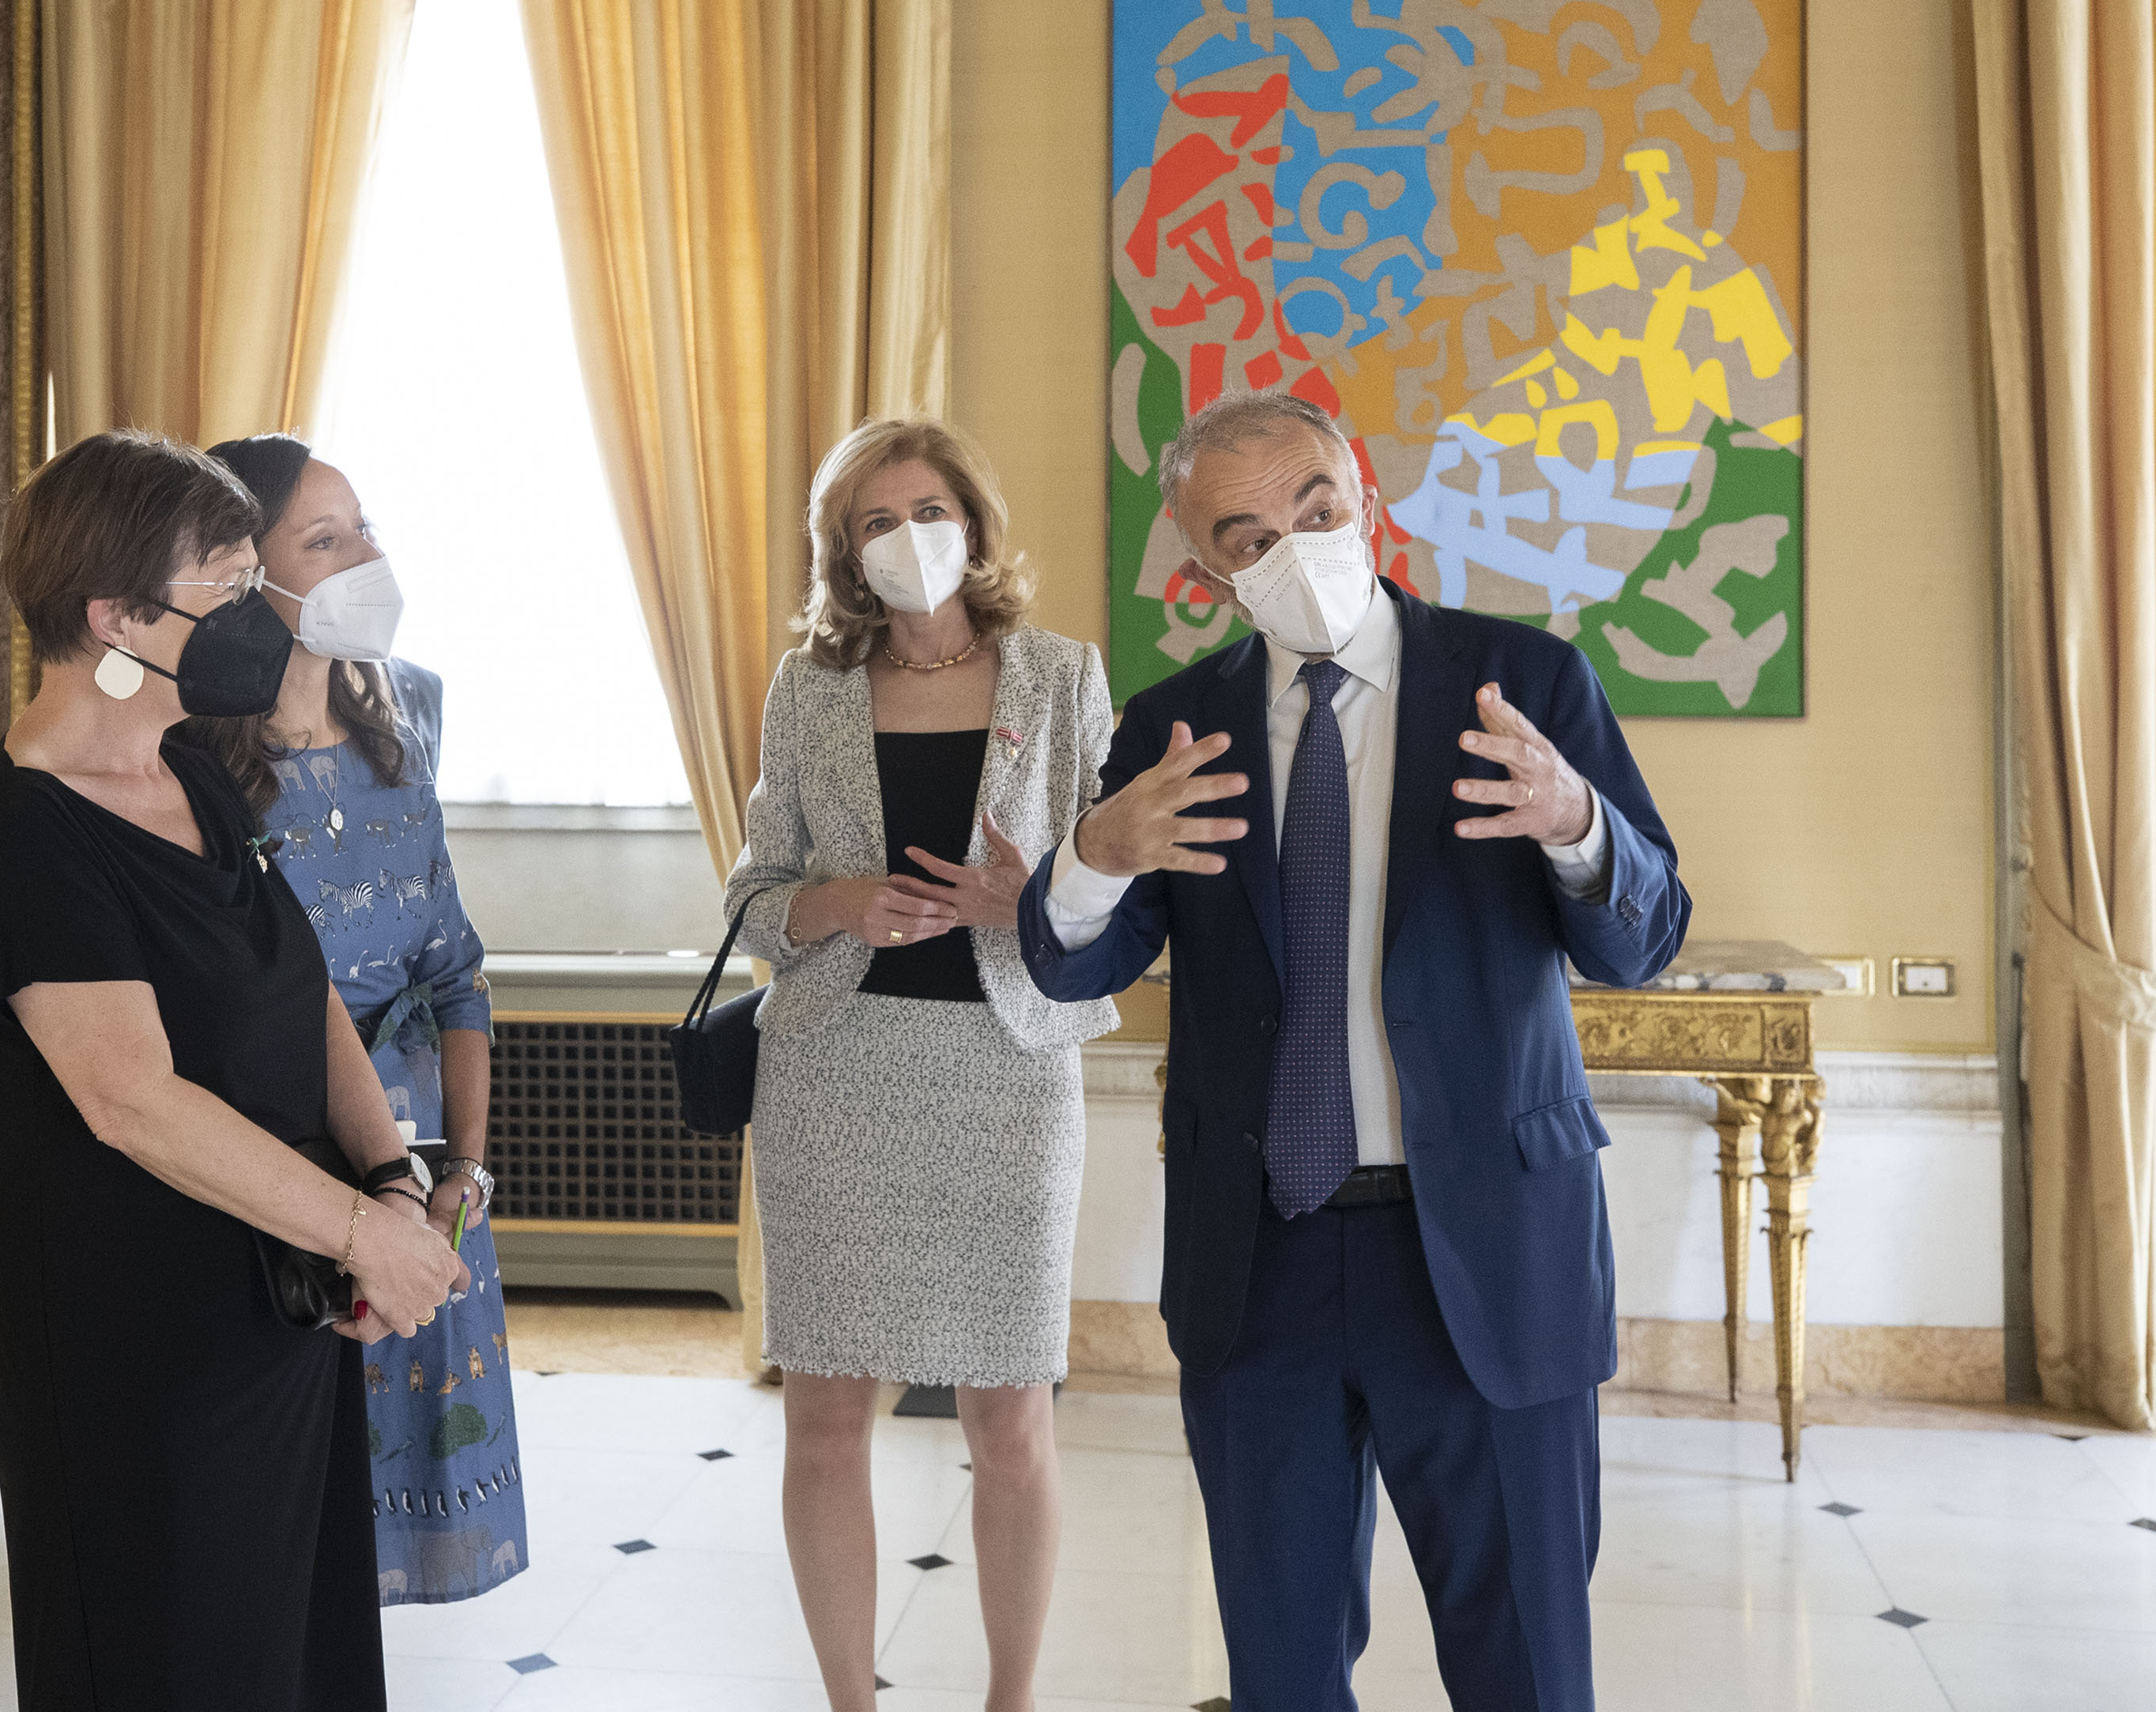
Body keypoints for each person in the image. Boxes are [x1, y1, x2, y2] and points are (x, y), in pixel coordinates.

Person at [1019, 389, 1691, 1710]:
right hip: (1259, 1259)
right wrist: (1092, 854)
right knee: (1281, 1669)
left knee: (1527, 1666)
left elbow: (1644, 936)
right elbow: (1071, 966)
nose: (1295, 545)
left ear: (1365, 497)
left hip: (1489, 1252)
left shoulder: (1523, 684)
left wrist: (1577, 822)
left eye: (1316, 508)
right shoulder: (1170, 730)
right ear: (1206, 571)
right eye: (1249, 535)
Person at [0, 428, 468, 1710]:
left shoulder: (194, 780)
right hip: (137, 1363)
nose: (252, 619)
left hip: (282, 1315)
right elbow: (133, 1101)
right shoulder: (16, 834)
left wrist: (389, 1182)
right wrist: (360, 1232)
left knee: (297, 1661)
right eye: (223, 588)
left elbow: (302, 991)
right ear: (113, 617)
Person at [721, 417, 1118, 1712]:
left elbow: (1123, 894)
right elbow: (751, 897)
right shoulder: (809, 688)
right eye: (877, 520)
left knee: (1011, 1419)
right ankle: (852, 1699)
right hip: (836, 1078)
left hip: (1011, 1077)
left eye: (929, 509)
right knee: (827, 1413)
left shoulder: (1062, 675)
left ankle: (1012, 1697)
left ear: (975, 520)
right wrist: (837, 900)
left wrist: (1033, 900)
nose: (909, 537)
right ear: (845, 551)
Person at [178, 432, 523, 1605]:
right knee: (281, 1525)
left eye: (365, 526)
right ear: (245, 575)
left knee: (400, 1499)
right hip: (282, 1160)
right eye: (325, 540)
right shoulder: (188, 769)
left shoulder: (404, 720)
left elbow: (458, 971)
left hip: (425, 1167)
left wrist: (461, 1172)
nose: (367, 557)